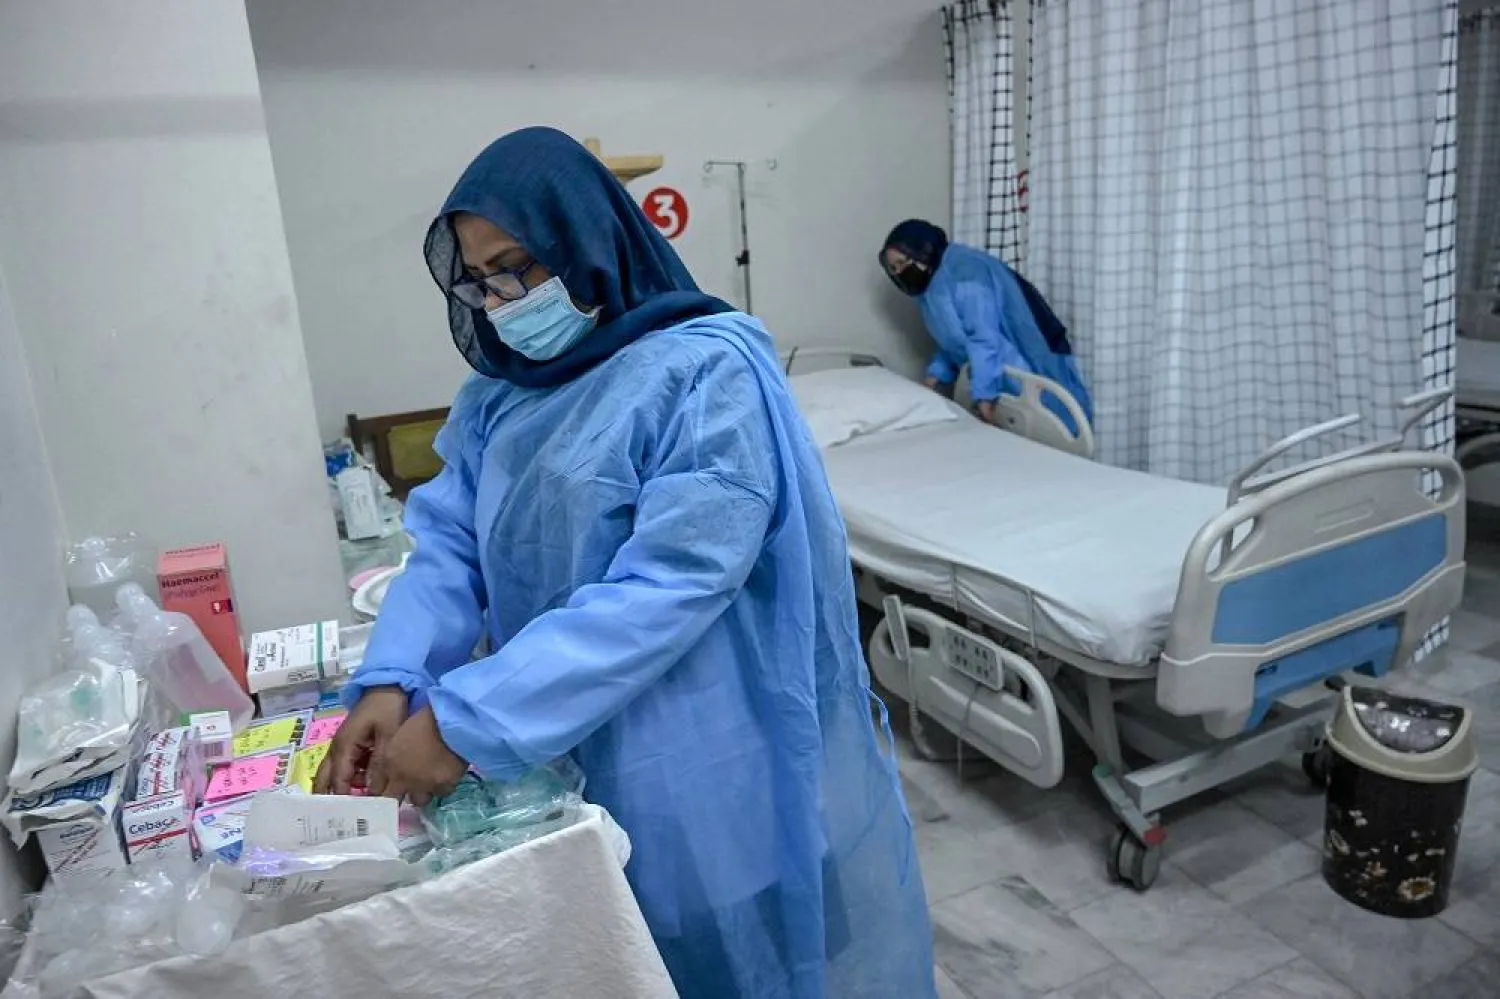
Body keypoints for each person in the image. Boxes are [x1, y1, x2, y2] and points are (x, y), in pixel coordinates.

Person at [314, 127, 936, 999]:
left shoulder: (706, 370)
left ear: (585, 239)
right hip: (556, 727)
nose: (503, 299)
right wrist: (394, 677)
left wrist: (464, 719)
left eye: (521, 265)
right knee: (615, 953)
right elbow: (452, 541)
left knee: (726, 960)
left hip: (696, 745)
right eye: (481, 278)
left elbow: (674, 579)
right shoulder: (501, 393)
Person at [880, 218, 1094, 434]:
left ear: (922, 250)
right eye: (893, 268)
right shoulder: (929, 288)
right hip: (991, 369)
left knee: (1054, 425)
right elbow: (953, 340)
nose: (900, 272)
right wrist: (933, 377)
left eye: (902, 262)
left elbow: (983, 337)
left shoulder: (966, 275)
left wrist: (984, 396)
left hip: (1019, 363)